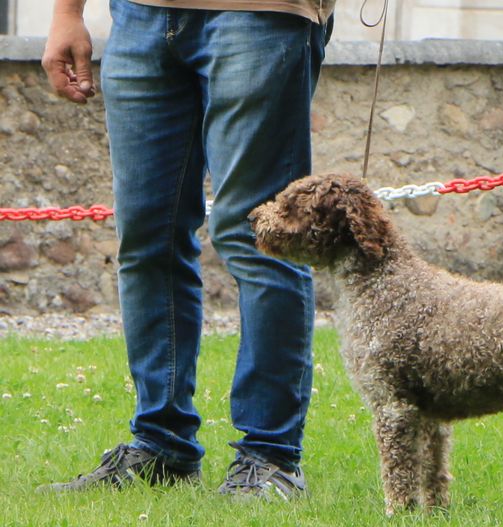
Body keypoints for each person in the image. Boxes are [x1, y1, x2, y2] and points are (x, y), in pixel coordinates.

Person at [39, 0, 335, 499]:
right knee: (146, 238)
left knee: (258, 237)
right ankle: (161, 445)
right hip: (141, 14)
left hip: (262, 13)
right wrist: (67, 12)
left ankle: (270, 458)